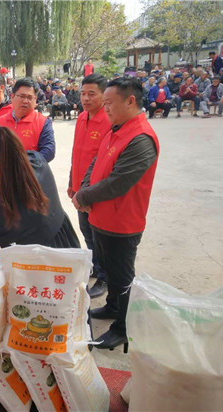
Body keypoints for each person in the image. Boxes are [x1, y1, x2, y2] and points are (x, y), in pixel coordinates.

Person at [72, 77, 159, 351]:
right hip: (101, 217)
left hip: (122, 223)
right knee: (108, 269)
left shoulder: (141, 138)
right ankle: (112, 307)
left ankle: (123, 327)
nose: (105, 107)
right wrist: (83, 189)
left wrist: (84, 196)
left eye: (109, 102)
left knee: (122, 278)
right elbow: (96, 162)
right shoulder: (117, 128)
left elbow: (119, 182)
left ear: (130, 101)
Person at [0, 122, 80, 250]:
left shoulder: (5, 201)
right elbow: (6, 176)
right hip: (63, 239)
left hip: (42, 255)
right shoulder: (34, 159)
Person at [68, 74, 111, 299]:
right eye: (83, 93)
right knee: (86, 232)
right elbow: (77, 153)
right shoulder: (82, 117)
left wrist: (89, 192)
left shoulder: (109, 121)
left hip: (94, 192)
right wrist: (71, 182)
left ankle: (105, 276)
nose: (85, 98)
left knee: (99, 236)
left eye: (91, 94)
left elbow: (105, 163)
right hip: (79, 188)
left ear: (104, 95)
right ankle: (96, 265)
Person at [0, 77, 56, 162]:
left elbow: (49, 151)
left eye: (29, 97)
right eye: (22, 96)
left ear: (35, 100)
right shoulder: (1, 121)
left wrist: (23, 164)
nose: (25, 101)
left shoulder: (43, 122)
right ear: (12, 97)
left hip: (31, 169)